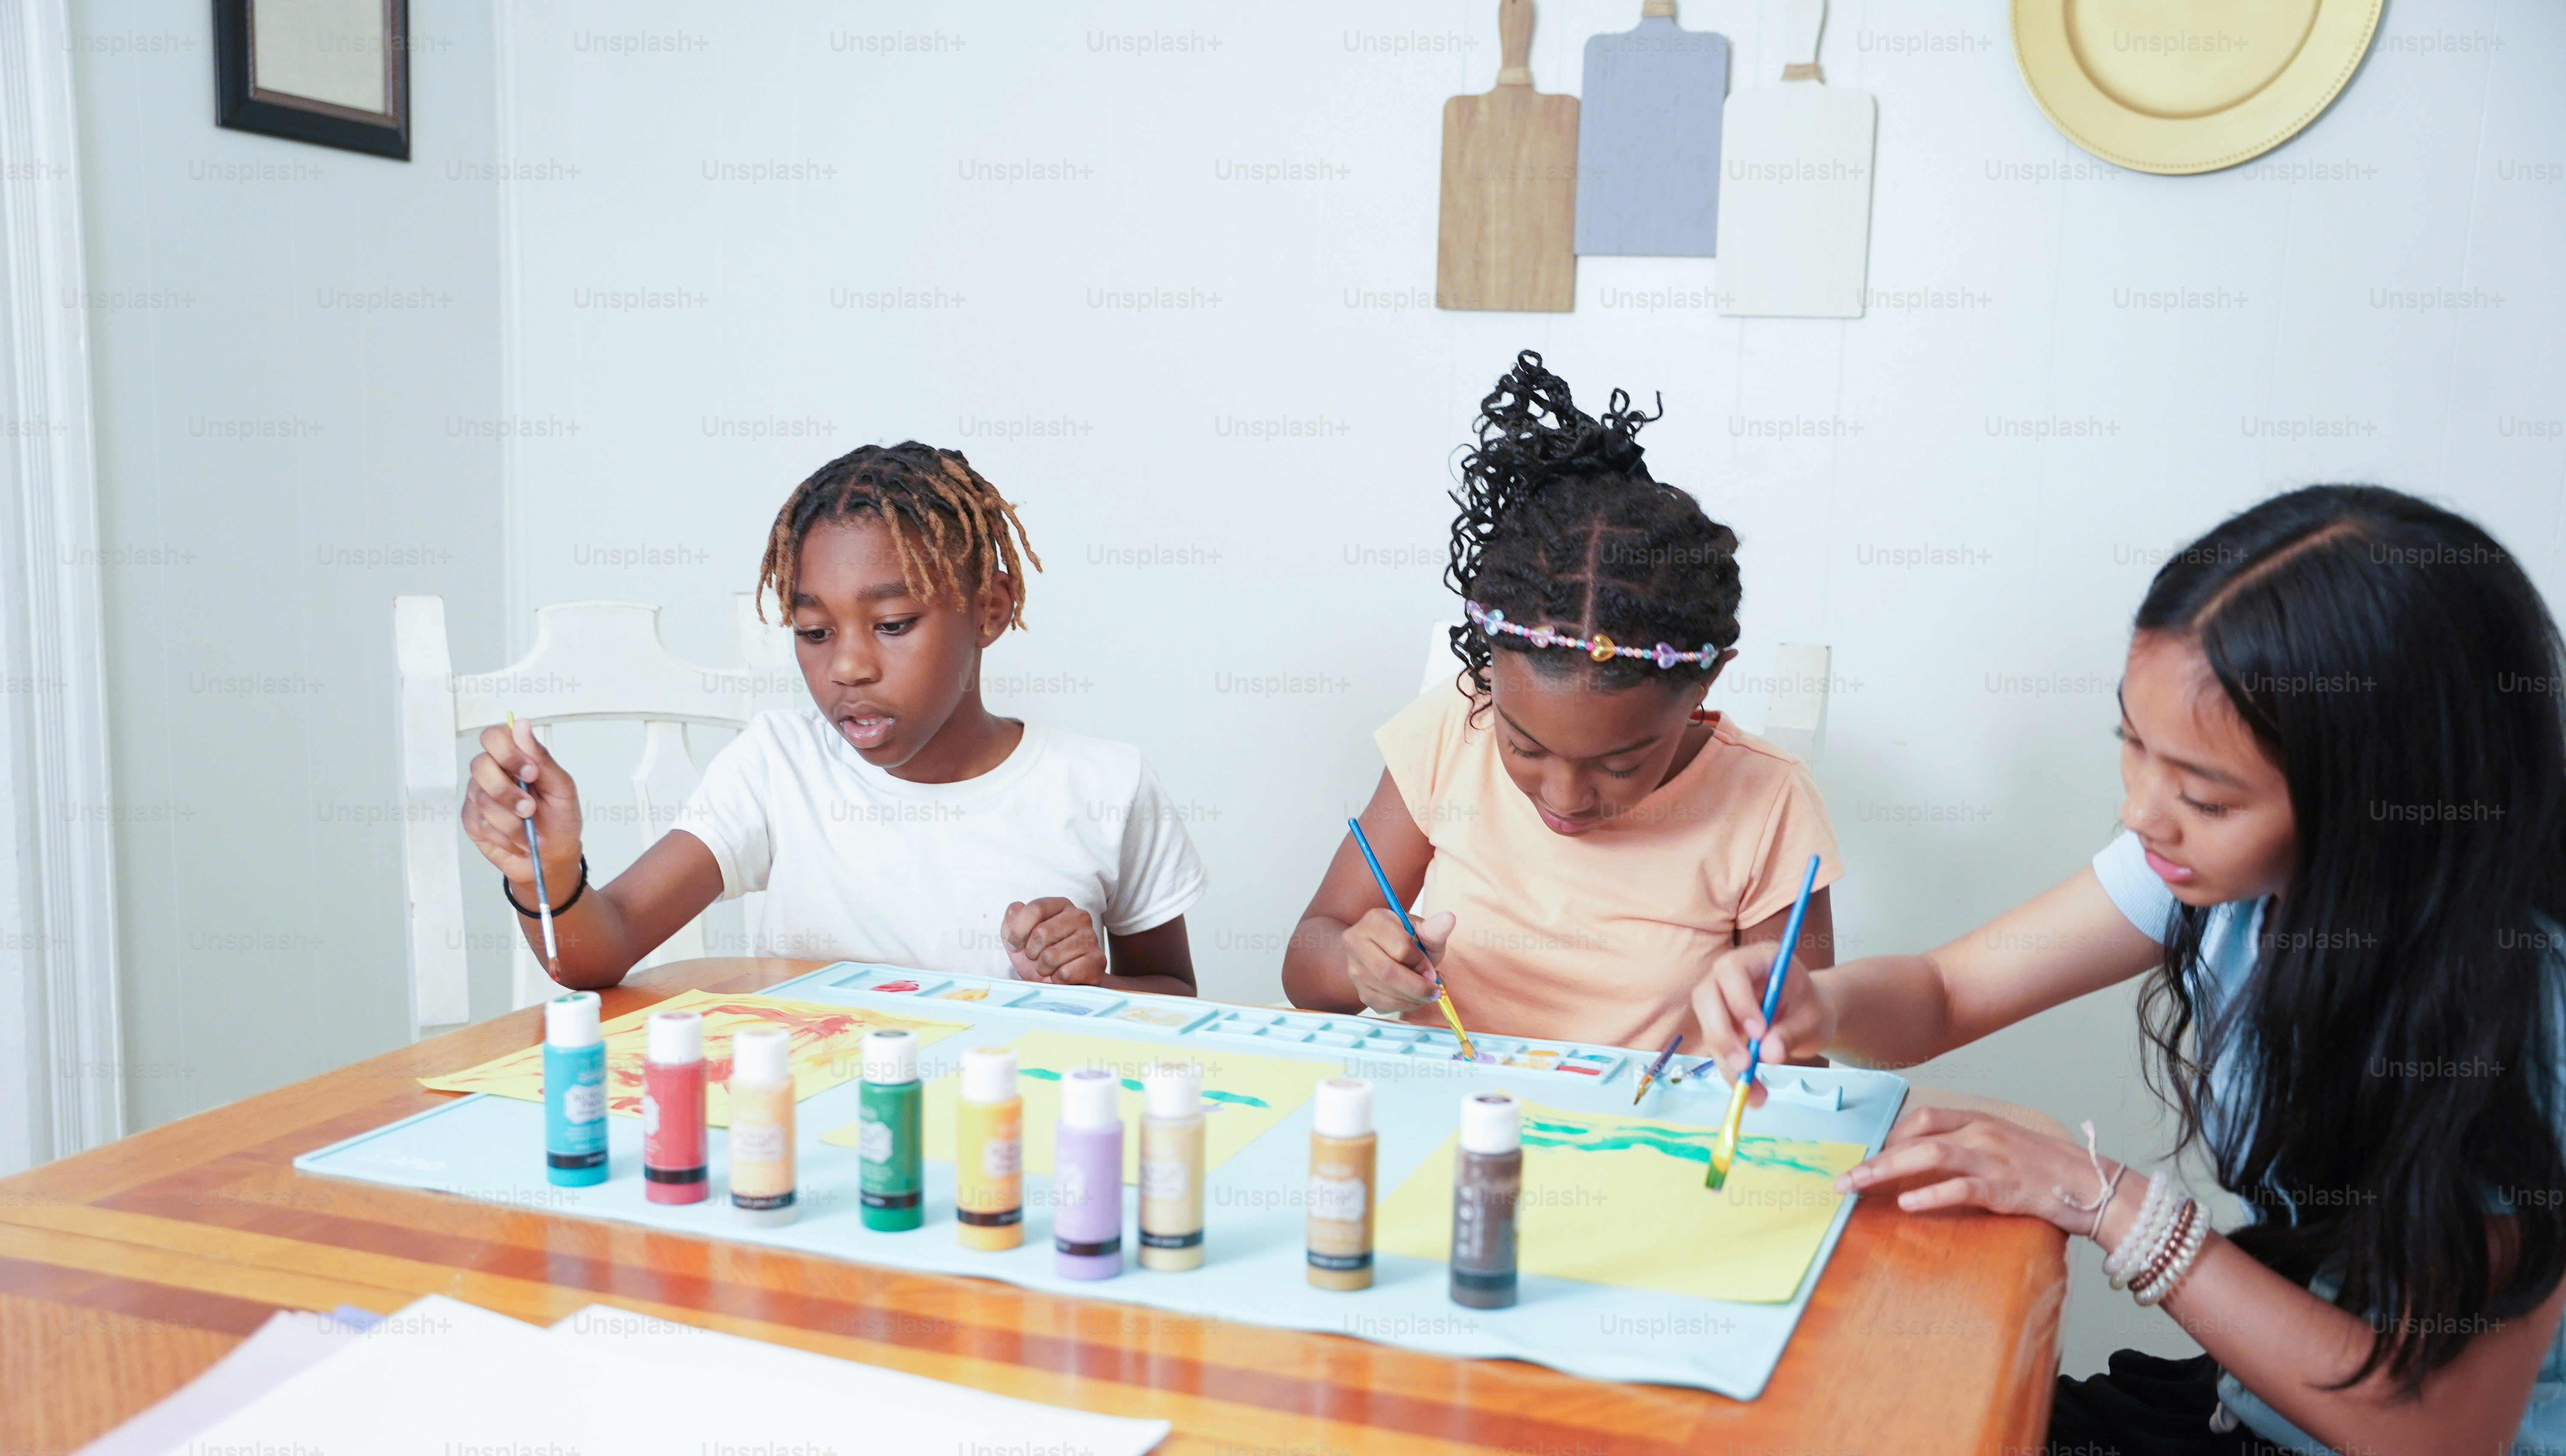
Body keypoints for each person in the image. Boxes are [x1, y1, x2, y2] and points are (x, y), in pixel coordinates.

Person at [1697, 485, 2566, 1456]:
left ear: (2380, 805)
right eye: (2131, 742)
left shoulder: (2517, 1021)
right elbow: (1947, 992)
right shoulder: (2207, 866)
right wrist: (1817, 1004)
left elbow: (2438, 1447)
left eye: (2205, 792)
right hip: (2252, 1428)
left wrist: (2106, 1205)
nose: (2140, 810)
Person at [461, 442, 1204, 994]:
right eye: (814, 633)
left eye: (892, 624)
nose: (846, 667)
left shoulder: (1105, 785)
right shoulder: (779, 764)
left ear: (990, 611)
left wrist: (1089, 991)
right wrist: (547, 872)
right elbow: (597, 952)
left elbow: (1175, 997)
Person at [1284, 351, 1840, 1050]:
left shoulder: (1766, 803)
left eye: (1617, 766)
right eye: (1522, 746)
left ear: (1704, 683)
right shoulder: (1452, 729)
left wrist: (1769, 1050)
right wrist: (1357, 966)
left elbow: (1802, 1059)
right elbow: (1307, 964)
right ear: (1491, 670)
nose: (1566, 794)